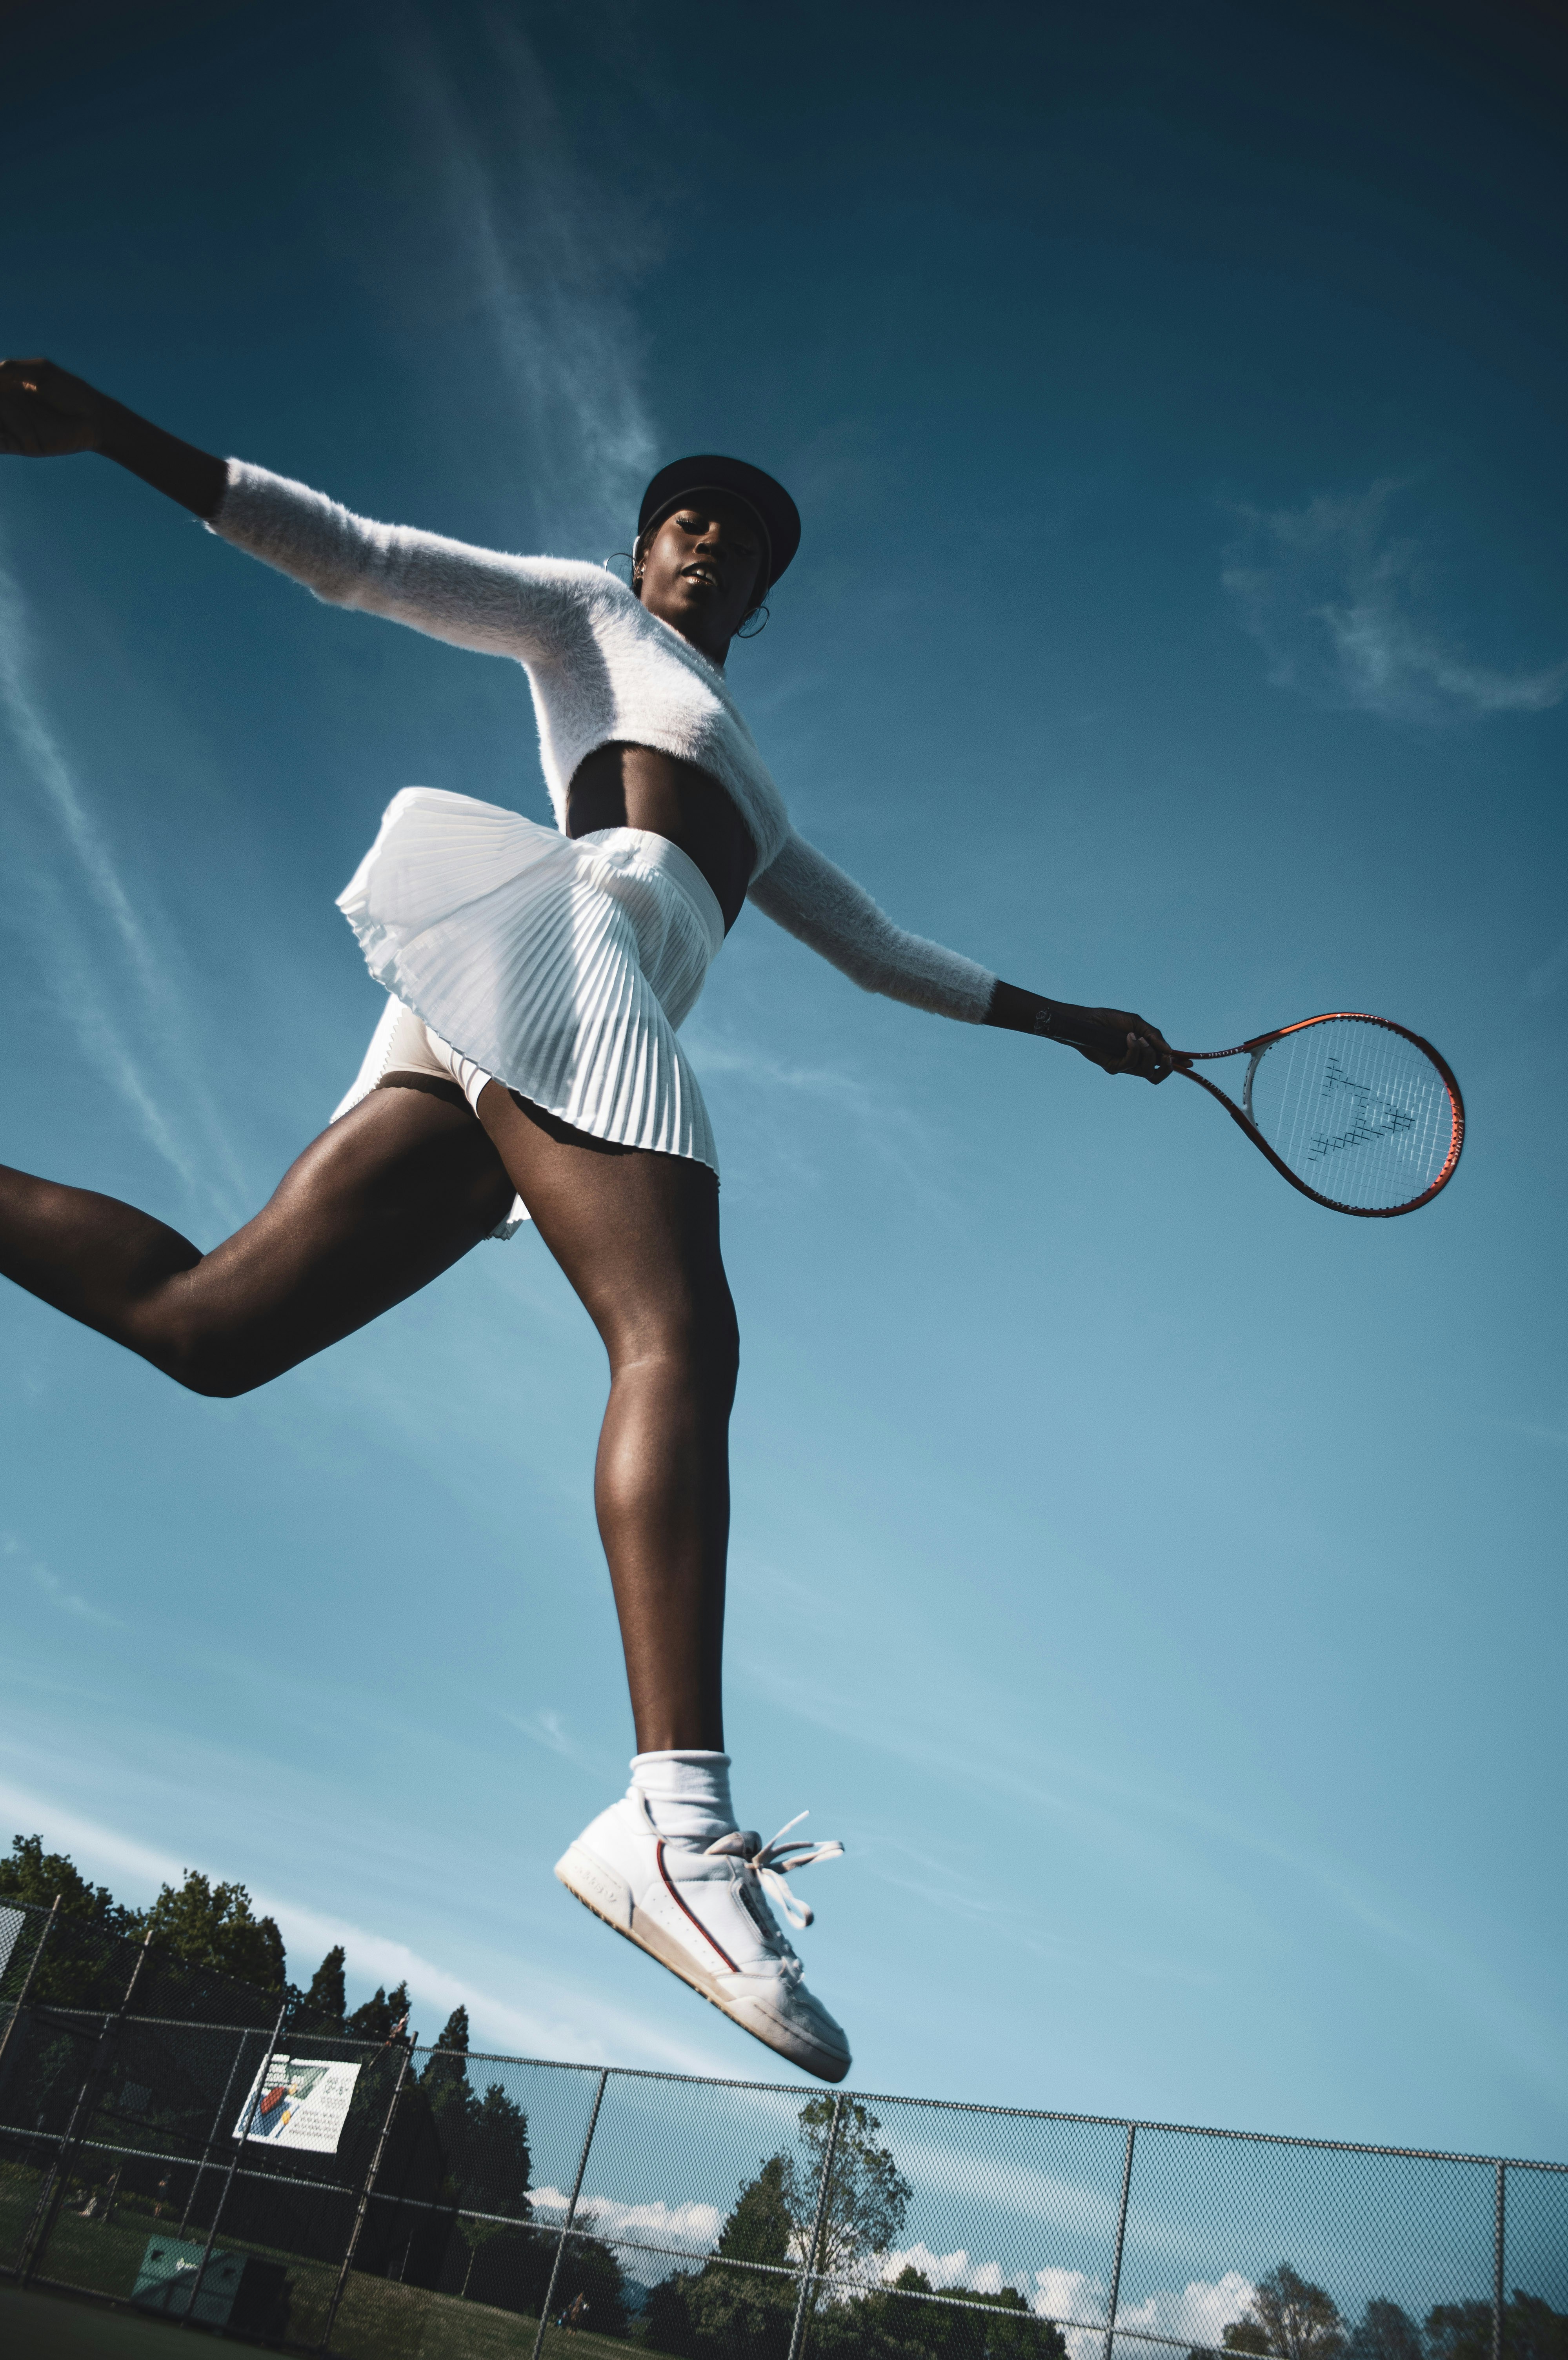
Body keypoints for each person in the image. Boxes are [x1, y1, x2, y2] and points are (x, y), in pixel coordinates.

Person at [0, 359, 1173, 2084]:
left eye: (746, 537)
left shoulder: (756, 795)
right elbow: (352, 552)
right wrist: (118, 436)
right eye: (687, 517)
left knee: (211, 1331)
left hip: (501, 1006)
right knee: (674, 1333)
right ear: (641, 551)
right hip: (555, 942)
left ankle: (671, 1830)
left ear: (763, 596)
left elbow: (880, 952)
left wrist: (1080, 1024)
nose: (710, 539)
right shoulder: (580, 624)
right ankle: (676, 1825)